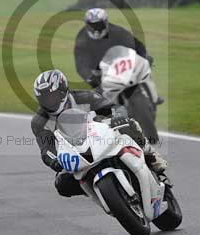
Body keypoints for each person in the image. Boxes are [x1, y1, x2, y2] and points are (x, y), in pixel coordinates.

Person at [31, 70, 168, 197]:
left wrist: (118, 116)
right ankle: (98, 190)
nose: (49, 102)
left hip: (101, 135)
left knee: (129, 124)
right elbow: (46, 149)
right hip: (75, 153)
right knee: (62, 185)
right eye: (44, 99)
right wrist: (54, 160)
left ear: (62, 91)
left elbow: (114, 107)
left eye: (52, 97)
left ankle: (151, 155)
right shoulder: (39, 121)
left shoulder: (83, 97)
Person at [74, 8, 152, 88]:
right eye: (92, 26)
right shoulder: (82, 39)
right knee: (98, 97)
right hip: (99, 74)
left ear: (106, 23)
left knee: (141, 80)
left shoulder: (118, 32)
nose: (96, 30)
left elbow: (135, 45)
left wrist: (144, 58)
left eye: (99, 26)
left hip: (121, 68)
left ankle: (150, 95)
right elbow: (81, 64)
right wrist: (90, 77)